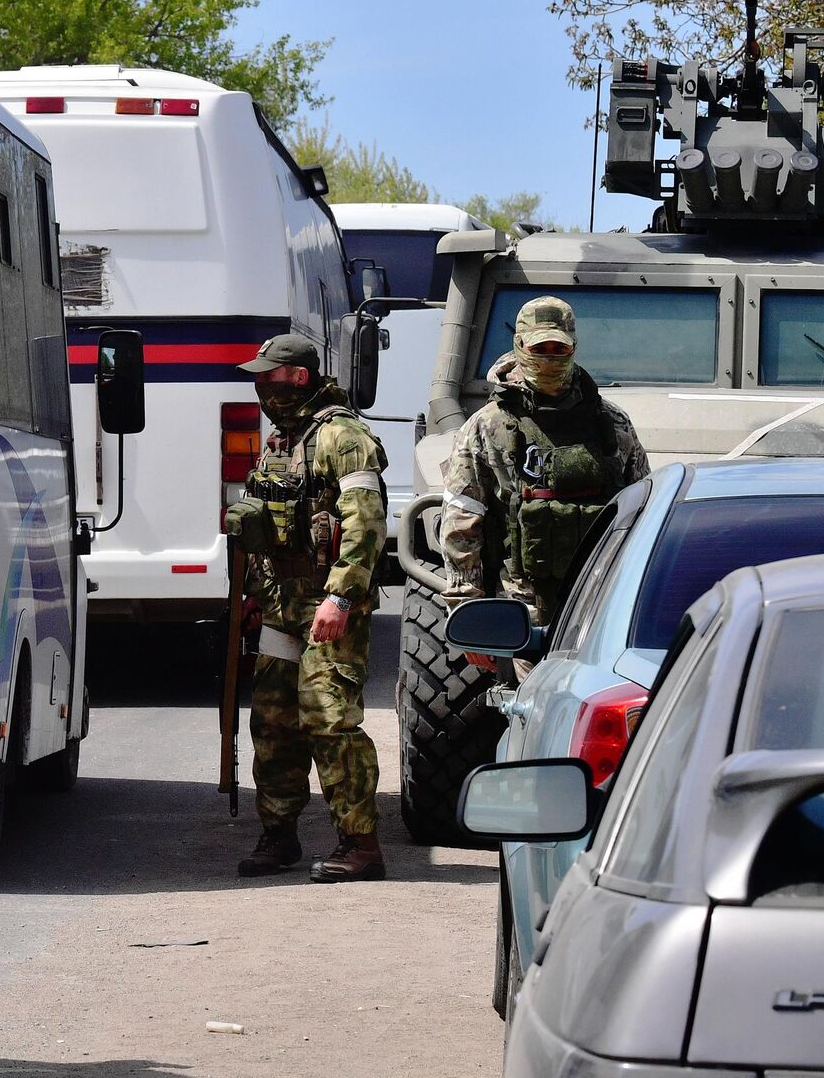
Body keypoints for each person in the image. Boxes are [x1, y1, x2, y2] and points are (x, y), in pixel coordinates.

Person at [224, 334, 388, 883]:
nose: (262, 388)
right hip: (280, 605)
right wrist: (254, 593)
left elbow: (365, 526)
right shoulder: (281, 440)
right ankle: (278, 836)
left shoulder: (344, 437)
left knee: (329, 720)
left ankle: (360, 844)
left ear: (298, 377)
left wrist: (340, 596)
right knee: (272, 722)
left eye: (271, 378)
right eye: (259, 379)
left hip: (328, 605)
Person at [439, 296, 649, 672]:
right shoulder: (487, 427)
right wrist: (467, 608)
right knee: (534, 712)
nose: (549, 358)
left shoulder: (612, 425)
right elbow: (460, 521)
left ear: (573, 347)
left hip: (602, 604)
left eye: (558, 348)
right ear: (519, 346)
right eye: (539, 348)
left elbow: (644, 511)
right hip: (525, 612)